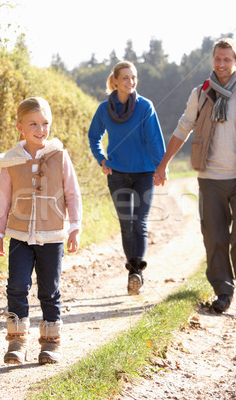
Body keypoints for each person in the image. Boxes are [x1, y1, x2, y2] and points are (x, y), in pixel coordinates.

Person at [154, 37, 236, 313]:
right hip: (209, 178)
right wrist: (163, 164)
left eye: (226, 59)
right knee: (214, 235)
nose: (221, 64)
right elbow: (184, 127)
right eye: (217, 59)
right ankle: (223, 291)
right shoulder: (201, 93)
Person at [0, 97, 82, 365]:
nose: (40, 129)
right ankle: (17, 342)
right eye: (33, 123)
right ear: (20, 126)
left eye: (45, 123)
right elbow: (3, 198)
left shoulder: (60, 156)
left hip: (52, 235)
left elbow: (72, 193)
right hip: (19, 235)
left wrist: (74, 227)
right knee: (17, 286)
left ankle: (51, 343)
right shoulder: (11, 161)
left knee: (49, 290)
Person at [88, 61, 166, 295]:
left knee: (139, 221)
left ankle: (136, 272)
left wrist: (161, 167)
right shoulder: (104, 109)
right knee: (126, 223)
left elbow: (154, 138)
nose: (130, 82)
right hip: (118, 174)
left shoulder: (145, 106)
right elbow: (94, 136)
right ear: (114, 81)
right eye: (125, 78)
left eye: (133, 78)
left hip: (144, 172)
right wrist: (102, 159)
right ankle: (133, 272)